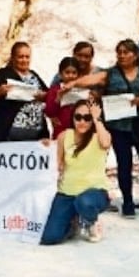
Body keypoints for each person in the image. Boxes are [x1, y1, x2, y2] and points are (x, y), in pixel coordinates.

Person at [70, 39, 139, 217]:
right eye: (119, 52)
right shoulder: (111, 73)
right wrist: (71, 84)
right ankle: (128, 201)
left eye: (126, 52)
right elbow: (91, 80)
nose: (122, 55)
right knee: (124, 164)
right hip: (118, 126)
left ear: (135, 55)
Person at [40, 100, 113, 244]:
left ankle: (91, 222)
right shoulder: (64, 136)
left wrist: (97, 119)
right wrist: (47, 147)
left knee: (84, 202)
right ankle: (73, 223)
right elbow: (59, 164)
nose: (82, 122)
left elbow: (106, 143)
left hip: (94, 192)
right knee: (50, 237)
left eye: (87, 118)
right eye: (78, 117)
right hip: (67, 192)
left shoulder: (99, 136)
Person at [0, 42, 50, 142]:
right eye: (20, 57)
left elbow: (49, 96)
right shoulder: (3, 74)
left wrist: (43, 96)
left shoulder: (34, 75)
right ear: (13, 58)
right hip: (8, 133)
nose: (24, 60)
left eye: (27, 57)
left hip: (35, 134)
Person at [45, 58, 83, 139]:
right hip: (61, 131)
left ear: (78, 74)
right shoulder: (55, 90)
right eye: (67, 72)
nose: (70, 76)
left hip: (80, 131)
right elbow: (49, 112)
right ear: (60, 74)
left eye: (74, 73)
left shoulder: (82, 89)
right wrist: (58, 97)